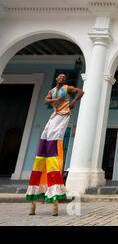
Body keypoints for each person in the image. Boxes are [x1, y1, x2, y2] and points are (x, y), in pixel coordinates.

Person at [26, 73, 84, 216]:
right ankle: (37, 189)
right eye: (59, 77)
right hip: (54, 115)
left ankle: (54, 187)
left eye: (63, 77)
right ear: (56, 79)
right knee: (45, 136)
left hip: (64, 114)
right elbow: (45, 101)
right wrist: (54, 99)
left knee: (54, 138)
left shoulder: (67, 88)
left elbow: (81, 91)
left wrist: (74, 101)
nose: (61, 79)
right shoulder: (52, 91)